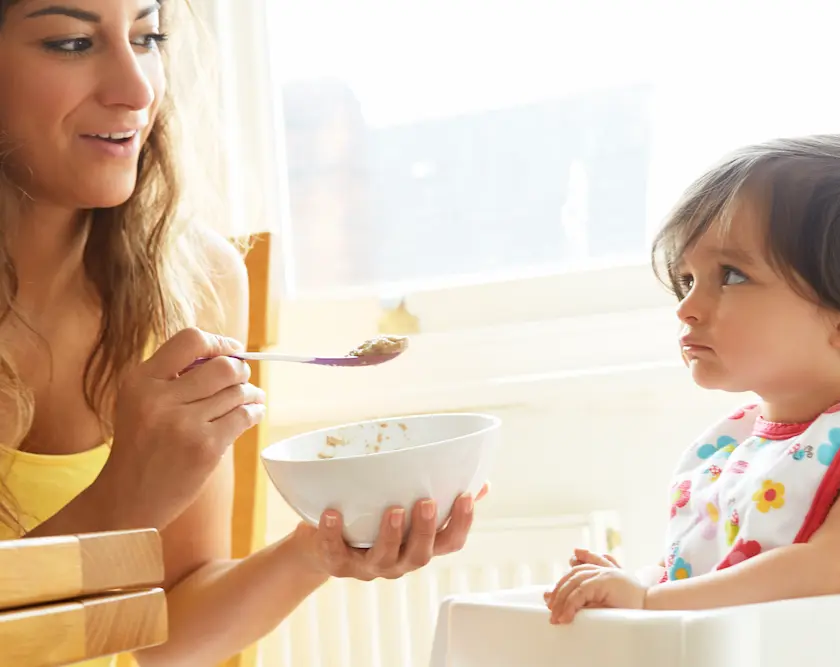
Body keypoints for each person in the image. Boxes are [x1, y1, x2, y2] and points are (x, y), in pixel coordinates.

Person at [0, 1, 484, 664]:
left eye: (148, 37)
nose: (137, 88)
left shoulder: (193, 279)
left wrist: (317, 547)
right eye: (71, 42)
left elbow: (166, 639)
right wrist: (124, 496)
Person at [544, 134, 840, 623]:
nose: (686, 307)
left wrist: (651, 603)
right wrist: (640, 582)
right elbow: (716, 573)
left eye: (732, 275)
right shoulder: (731, 445)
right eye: (688, 280)